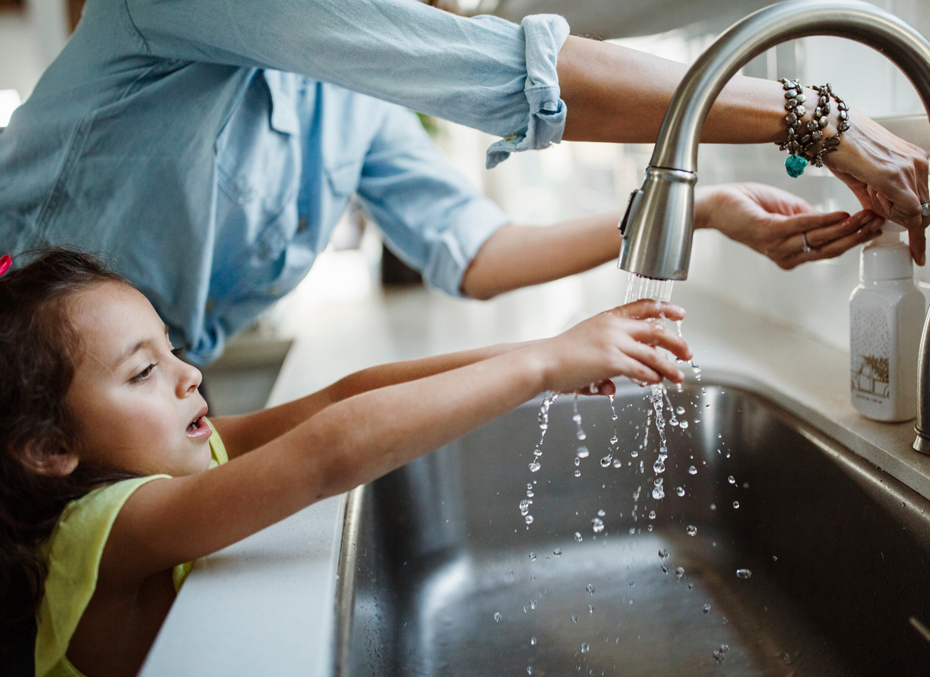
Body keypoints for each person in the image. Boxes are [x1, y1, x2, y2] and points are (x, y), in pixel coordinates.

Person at [0, 0, 925, 364]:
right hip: (25, 401)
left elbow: (476, 252)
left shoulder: (345, 91)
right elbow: (530, 79)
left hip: (137, 422)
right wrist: (818, 117)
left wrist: (710, 208)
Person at [0, 248, 691, 676]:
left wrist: (547, 355)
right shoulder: (97, 530)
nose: (189, 374)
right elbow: (325, 448)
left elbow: (343, 395)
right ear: (50, 447)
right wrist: (539, 365)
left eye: (172, 347)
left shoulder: (181, 456)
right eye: (144, 369)